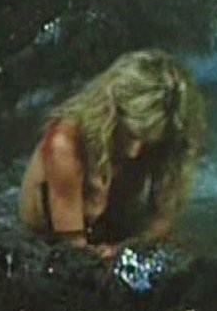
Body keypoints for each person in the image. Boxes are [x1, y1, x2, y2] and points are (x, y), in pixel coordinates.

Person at [18, 49, 205, 257]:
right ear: (112, 112)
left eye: (148, 141)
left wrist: (129, 249)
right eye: (130, 134)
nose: (134, 152)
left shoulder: (170, 141)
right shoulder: (65, 146)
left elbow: (160, 224)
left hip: (114, 239)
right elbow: (73, 253)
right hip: (48, 249)